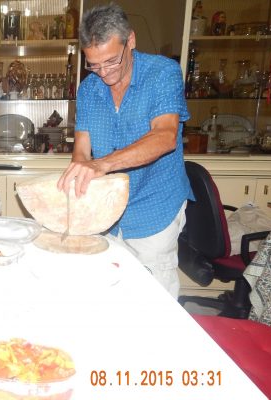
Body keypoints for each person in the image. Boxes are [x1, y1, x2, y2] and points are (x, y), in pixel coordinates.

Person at [57, 3, 193, 298]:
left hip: (154, 205)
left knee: (154, 297)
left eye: (111, 62)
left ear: (130, 41)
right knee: (109, 288)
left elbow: (165, 136)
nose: (103, 73)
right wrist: (79, 174)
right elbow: (82, 150)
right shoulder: (89, 89)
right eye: (93, 64)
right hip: (108, 208)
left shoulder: (162, 73)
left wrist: (100, 165)